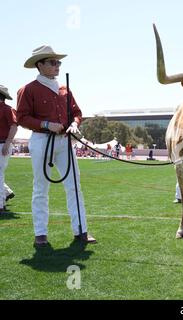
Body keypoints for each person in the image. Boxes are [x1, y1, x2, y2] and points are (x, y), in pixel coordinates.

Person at [16, 45, 96, 246]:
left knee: (74, 186)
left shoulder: (64, 89)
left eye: (58, 62)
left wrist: (74, 124)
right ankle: (40, 234)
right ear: (40, 65)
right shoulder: (28, 89)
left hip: (64, 141)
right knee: (41, 188)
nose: (57, 65)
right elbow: (22, 118)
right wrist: (45, 124)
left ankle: (81, 231)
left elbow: (77, 112)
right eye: (53, 62)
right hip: (42, 141)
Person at [0, 85, 18, 213]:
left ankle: (0, 204)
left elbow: (14, 126)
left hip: (2, 144)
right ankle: (6, 194)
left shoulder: (7, 109)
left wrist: (7, 142)